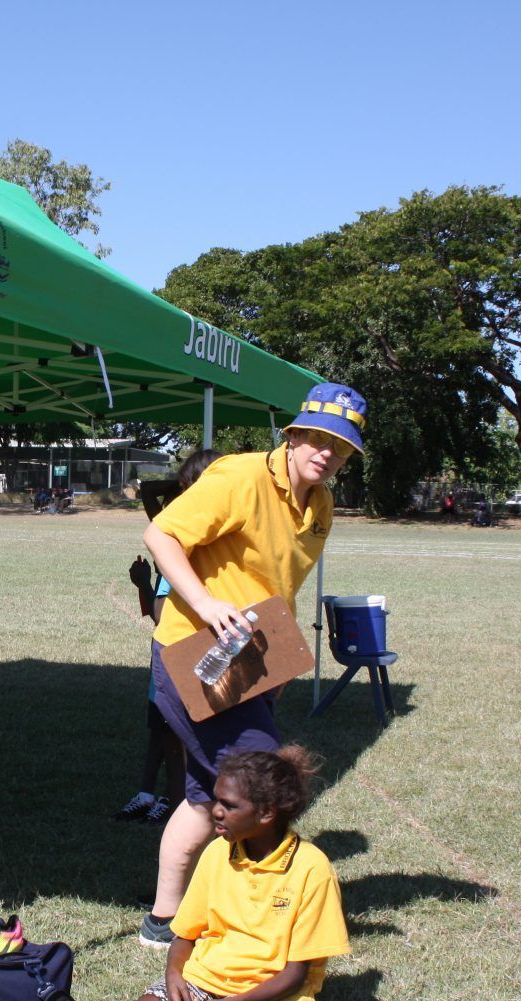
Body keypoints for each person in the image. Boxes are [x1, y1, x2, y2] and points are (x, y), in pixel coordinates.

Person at [137, 382, 364, 949]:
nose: (326, 452)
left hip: (257, 662)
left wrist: (279, 669)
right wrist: (207, 604)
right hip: (195, 653)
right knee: (265, 791)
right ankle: (262, 917)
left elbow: (278, 590)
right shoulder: (238, 477)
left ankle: (163, 921)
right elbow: (159, 533)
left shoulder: (322, 504)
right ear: (295, 434)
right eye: (316, 437)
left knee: (201, 797)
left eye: (340, 446)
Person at [93, 747, 350, 1001]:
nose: (216, 811)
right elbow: (184, 934)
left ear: (266, 813)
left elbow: (294, 975)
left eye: (229, 806)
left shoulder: (312, 869)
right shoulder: (217, 852)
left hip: (270, 999)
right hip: (203, 982)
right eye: (217, 800)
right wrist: (174, 976)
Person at [115, 449, 223, 825]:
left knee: (179, 738)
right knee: (159, 731)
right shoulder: (174, 533)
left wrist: (201, 485)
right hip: (171, 648)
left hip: (189, 651)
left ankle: (176, 805)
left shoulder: (201, 545)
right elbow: (147, 491)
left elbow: (161, 614)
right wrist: (186, 483)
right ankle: (150, 794)